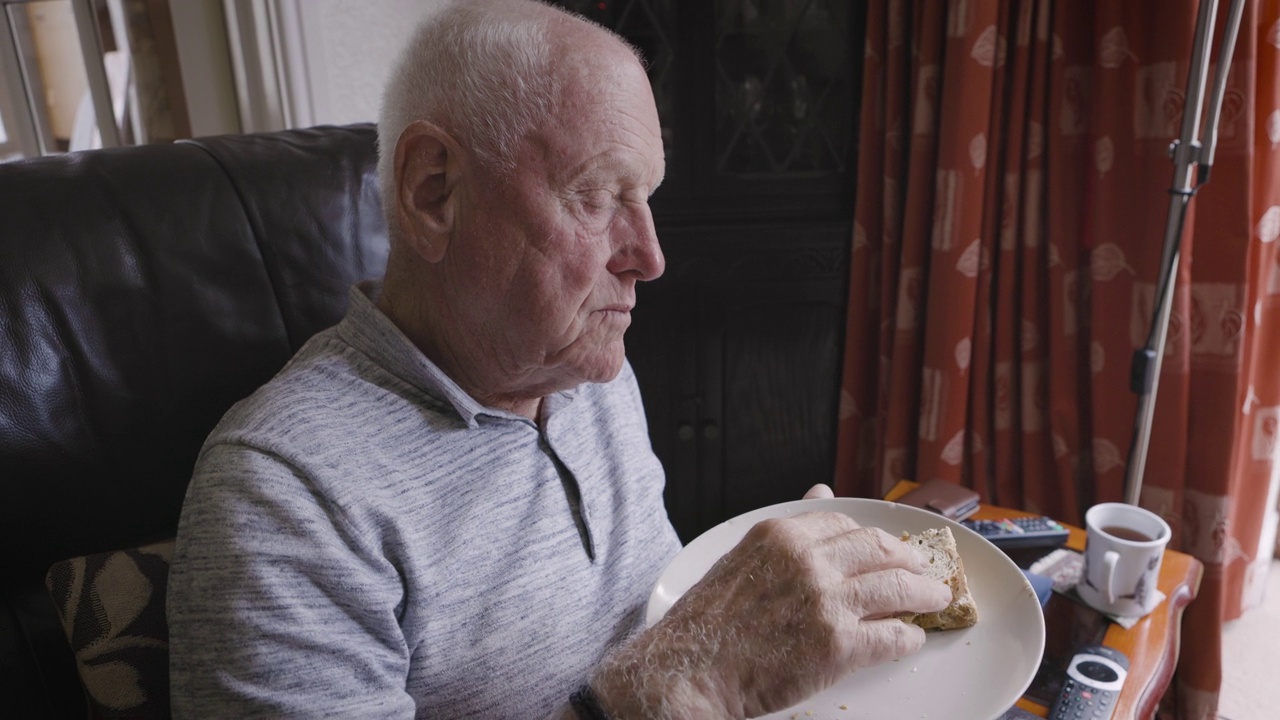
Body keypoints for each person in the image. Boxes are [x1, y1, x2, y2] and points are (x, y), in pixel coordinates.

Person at [165, 1, 952, 718]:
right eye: (599, 195)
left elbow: (654, 620)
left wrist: (761, 616)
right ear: (434, 190)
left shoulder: (582, 369)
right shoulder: (281, 500)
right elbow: (671, 676)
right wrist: (683, 683)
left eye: (647, 196)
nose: (649, 257)